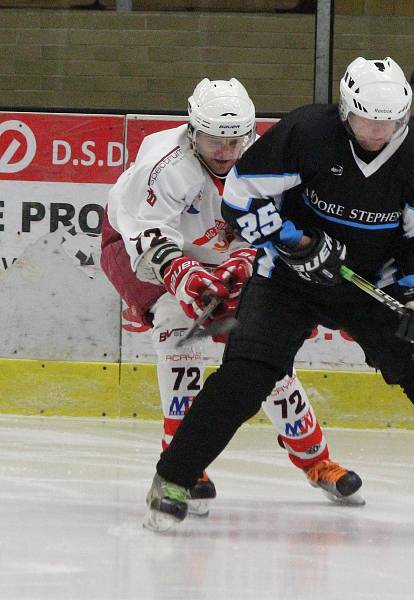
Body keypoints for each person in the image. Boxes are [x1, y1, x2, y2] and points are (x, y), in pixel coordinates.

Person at [142, 57, 414, 537]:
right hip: (288, 279)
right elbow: (243, 198)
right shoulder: (307, 131)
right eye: (368, 118)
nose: (378, 129)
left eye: (389, 120)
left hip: (376, 283)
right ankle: (174, 478)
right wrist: (295, 242)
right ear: (347, 110)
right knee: (247, 375)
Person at [100, 77, 363, 527]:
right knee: (178, 338)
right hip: (139, 251)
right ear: (191, 129)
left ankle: (316, 459)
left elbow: (274, 226)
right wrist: (184, 275)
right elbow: (146, 235)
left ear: (249, 133)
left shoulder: (266, 159)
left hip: (219, 256)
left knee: (264, 359)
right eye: (212, 138)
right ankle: (183, 460)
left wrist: (243, 261)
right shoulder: (165, 164)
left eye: (234, 139)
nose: (224, 150)